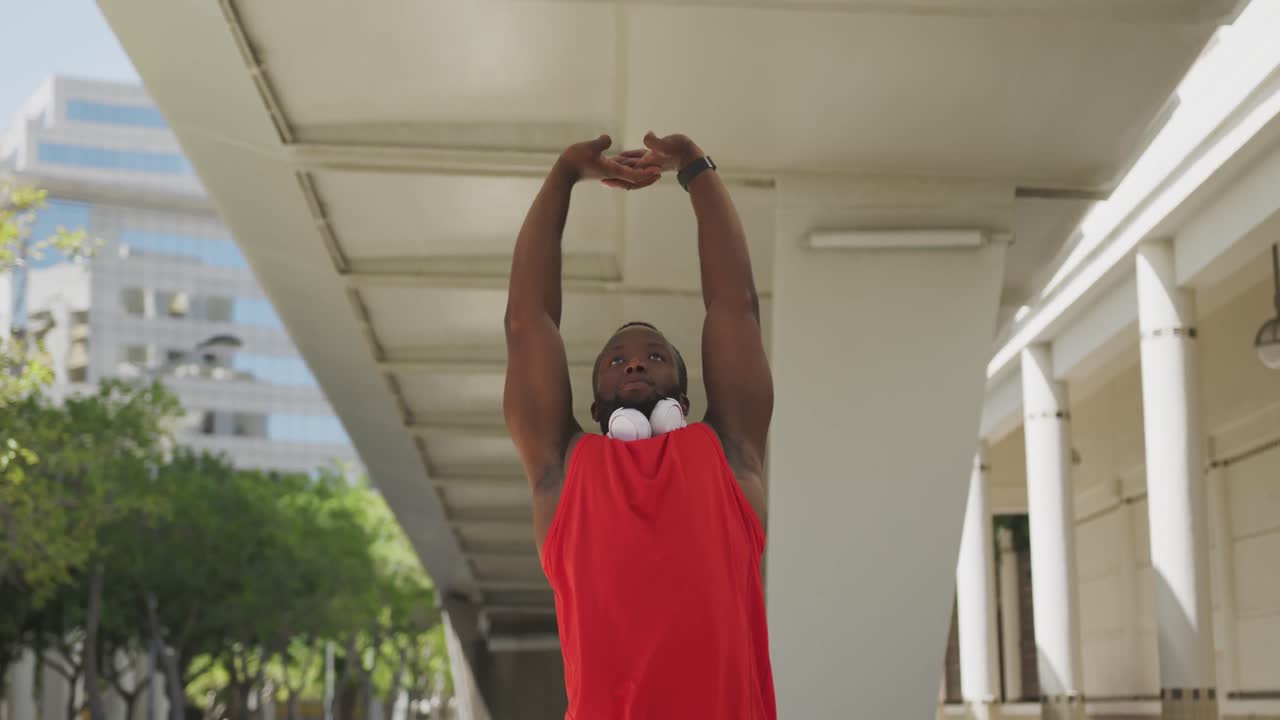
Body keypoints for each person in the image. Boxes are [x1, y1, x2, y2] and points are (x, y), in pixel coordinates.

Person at [503, 131, 775, 719]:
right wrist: (562, 178)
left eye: (654, 356)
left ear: (683, 387)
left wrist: (697, 169)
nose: (633, 360)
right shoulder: (561, 472)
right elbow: (529, 322)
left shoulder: (728, 454)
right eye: (617, 358)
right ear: (599, 406)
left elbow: (734, 305)